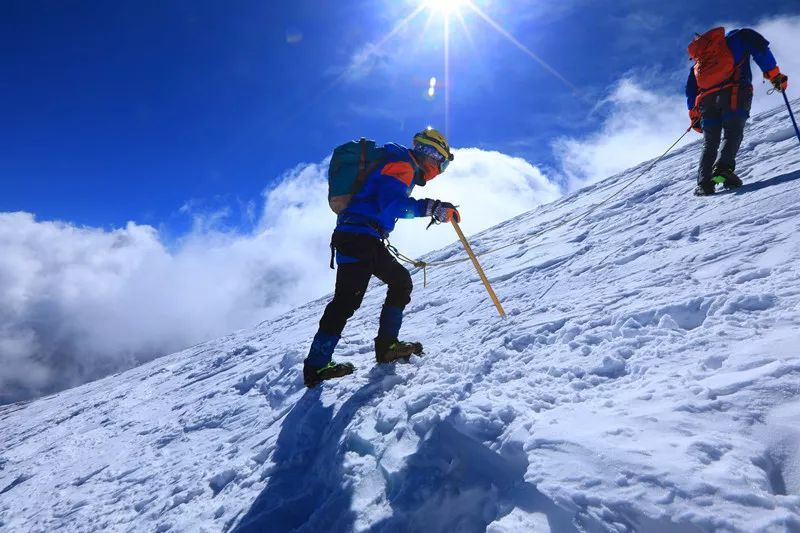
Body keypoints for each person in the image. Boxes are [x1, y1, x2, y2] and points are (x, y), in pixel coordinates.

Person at [303, 128, 459, 388]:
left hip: (362, 237)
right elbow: (393, 204)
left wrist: (433, 208)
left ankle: (387, 346)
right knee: (347, 301)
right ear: (431, 155)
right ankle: (316, 367)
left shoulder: (400, 163)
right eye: (440, 164)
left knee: (399, 282)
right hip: (358, 238)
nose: (438, 171)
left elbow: (386, 202)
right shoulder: (401, 164)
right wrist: (433, 207)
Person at [686, 27, 788, 196]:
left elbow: (691, 91)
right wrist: (774, 75)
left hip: (707, 103)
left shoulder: (698, 64)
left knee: (710, 142)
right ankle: (722, 170)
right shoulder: (737, 37)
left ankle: (705, 184)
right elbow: (760, 50)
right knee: (732, 132)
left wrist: (694, 115)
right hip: (734, 93)